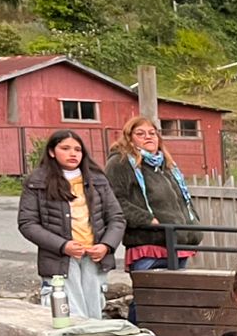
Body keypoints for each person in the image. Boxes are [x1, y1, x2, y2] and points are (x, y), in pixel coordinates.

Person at [17, 129, 125, 320]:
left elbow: (116, 218)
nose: (73, 153)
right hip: (60, 260)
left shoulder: (98, 180)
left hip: (94, 258)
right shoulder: (37, 181)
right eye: (65, 148)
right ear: (52, 152)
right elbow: (28, 223)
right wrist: (63, 245)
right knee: (69, 316)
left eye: (77, 149)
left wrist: (106, 246)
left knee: (94, 316)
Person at [105, 115, 201, 271]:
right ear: (129, 138)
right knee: (150, 286)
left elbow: (184, 200)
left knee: (180, 287)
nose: (148, 137)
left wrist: (194, 223)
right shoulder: (120, 162)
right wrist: (148, 220)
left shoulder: (168, 165)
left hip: (178, 243)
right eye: (140, 134)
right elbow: (113, 200)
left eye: (152, 133)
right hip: (148, 244)